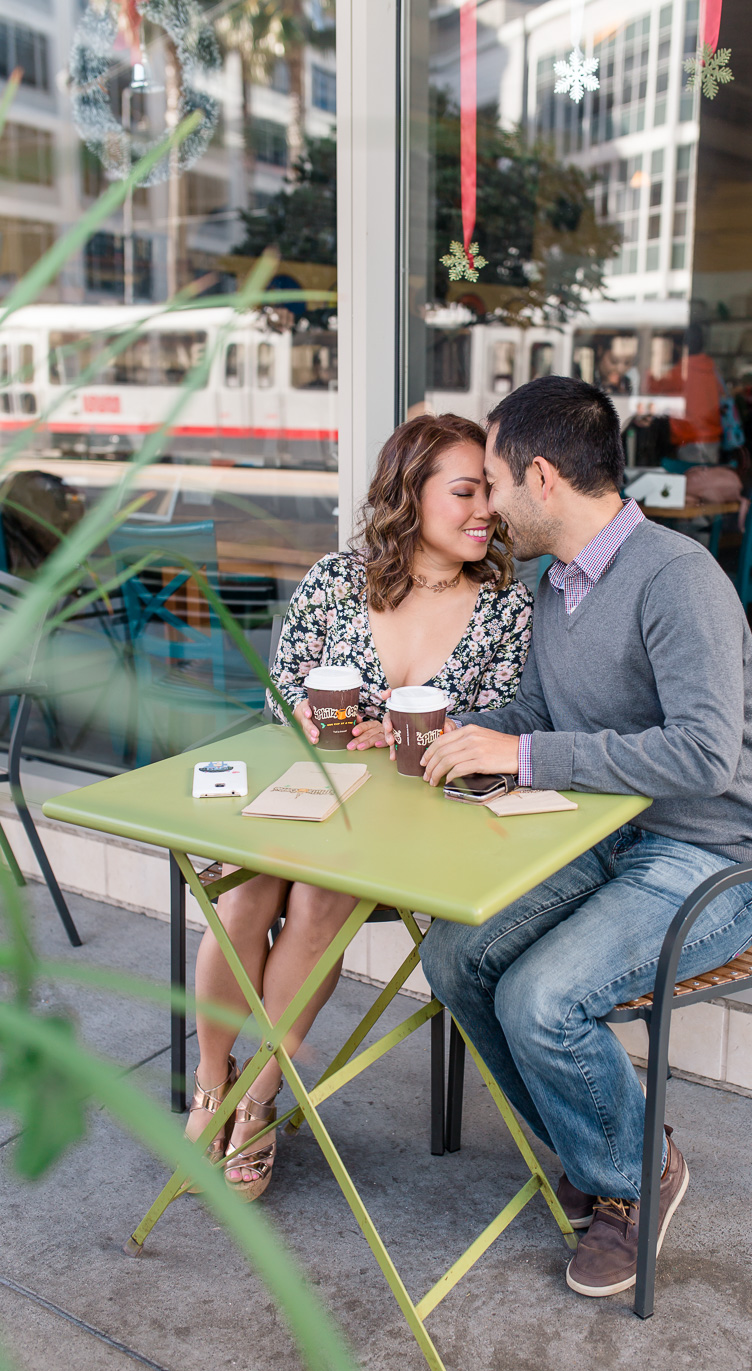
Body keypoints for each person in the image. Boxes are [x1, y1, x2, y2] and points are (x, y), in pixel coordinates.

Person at [410, 375, 752, 1299]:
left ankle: (634, 1176)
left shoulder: (676, 577)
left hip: (714, 861)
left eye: (494, 482)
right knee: (457, 958)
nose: (489, 505)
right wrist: (454, 730)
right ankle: (606, 1141)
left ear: (541, 478)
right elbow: (538, 712)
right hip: (606, 842)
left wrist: (526, 752)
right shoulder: (557, 585)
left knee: (542, 998)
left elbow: (704, 757)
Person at [186, 413, 533, 1199]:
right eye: (465, 490)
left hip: (411, 819)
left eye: (492, 492)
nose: (487, 510)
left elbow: (504, 724)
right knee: (244, 889)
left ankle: (260, 1100)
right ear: (410, 493)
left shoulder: (506, 606)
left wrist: (436, 732)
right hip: (310, 790)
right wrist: (302, 716)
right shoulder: (338, 580)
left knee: (317, 894)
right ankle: (212, 1077)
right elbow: (283, 691)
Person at [645, 323, 722, 464]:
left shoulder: (682, 371)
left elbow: (652, 387)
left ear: (680, 346)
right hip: (712, 438)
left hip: (691, 438)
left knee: (693, 483)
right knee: (708, 483)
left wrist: (648, 364)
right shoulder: (711, 366)